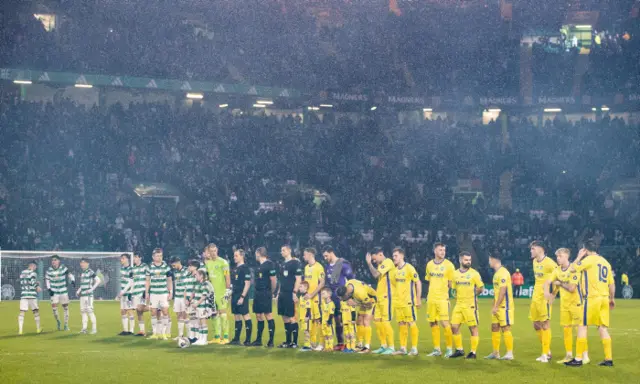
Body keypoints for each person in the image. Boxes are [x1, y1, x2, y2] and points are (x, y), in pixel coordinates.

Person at [566, 240, 615, 367]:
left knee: (582, 326)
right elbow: (611, 283)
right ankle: (608, 359)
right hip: (604, 298)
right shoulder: (606, 262)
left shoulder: (588, 260)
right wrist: (612, 298)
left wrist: (579, 256)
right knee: (602, 328)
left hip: (592, 298)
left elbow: (572, 269)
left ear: (585, 250)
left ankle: (578, 359)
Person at [544, 248, 590, 364]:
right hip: (564, 305)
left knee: (579, 329)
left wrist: (559, 283)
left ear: (567, 257)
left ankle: (585, 355)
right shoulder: (557, 270)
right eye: (557, 256)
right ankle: (569, 355)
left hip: (577, 304)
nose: (558, 258)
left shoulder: (575, 269)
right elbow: (548, 281)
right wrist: (549, 293)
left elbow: (571, 288)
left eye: (560, 256)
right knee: (566, 329)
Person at [450, 251, 484, 359]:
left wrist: (474, 295)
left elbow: (480, 288)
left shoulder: (474, 274)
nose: (468, 262)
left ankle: (473, 352)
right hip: (459, 305)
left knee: (472, 328)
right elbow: (453, 288)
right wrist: (454, 294)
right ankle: (459, 350)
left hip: (470, 305)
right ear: (460, 260)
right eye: (466, 260)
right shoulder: (455, 274)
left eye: (469, 260)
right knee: (454, 326)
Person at [425, 242, 455, 357]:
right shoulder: (429, 265)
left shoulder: (449, 265)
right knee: (432, 322)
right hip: (431, 298)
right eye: (440, 250)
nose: (443, 252)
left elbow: (451, 283)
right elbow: (429, 280)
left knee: (445, 323)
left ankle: (449, 349)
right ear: (435, 251)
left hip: (442, 299)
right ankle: (437, 349)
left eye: (444, 250)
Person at [529, 240, 557, 363]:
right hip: (535, 297)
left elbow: (559, 278)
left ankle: (545, 353)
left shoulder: (550, 263)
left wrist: (553, 294)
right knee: (536, 324)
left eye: (533, 249)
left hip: (544, 298)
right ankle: (548, 351)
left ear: (540, 249)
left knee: (545, 324)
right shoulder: (534, 261)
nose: (531, 251)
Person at [366, 246, 396, 355]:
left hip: (387, 297)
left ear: (380, 254)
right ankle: (383, 346)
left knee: (385, 321)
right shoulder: (380, 265)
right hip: (380, 297)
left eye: (374, 259)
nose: (374, 261)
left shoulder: (388, 262)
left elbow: (376, 274)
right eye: (372, 260)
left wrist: (369, 264)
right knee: (377, 321)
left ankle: (391, 347)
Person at [390, 247, 421, 356]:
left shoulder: (409, 268)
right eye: (393, 256)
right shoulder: (394, 271)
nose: (394, 258)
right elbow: (394, 284)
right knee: (401, 324)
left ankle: (414, 348)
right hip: (398, 302)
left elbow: (418, 282)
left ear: (402, 256)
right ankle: (403, 348)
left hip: (408, 302)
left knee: (411, 323)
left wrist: (418, 298)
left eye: (396, 256)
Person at [323, 246, 354, 351]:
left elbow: (352, 280)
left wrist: (349, 296)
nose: (325, 258)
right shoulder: (327, 266)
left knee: (345, 321)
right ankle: (340, 343)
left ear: (331, 252)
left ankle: (350, 343)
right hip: (333, 298)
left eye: (326, 255)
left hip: (343, 298)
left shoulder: (343, 264)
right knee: (336, 320)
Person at [485, 253, 515, 360]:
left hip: (504, 306)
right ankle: (495, 353)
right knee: (494, 327)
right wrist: (494, 305)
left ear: (494, 260)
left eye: (490, 259)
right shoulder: (497, 273)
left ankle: (510, 353)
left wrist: (496, 306)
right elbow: (497, 292)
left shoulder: (503, 272)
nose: (489, 262)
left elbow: (503, 290)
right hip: (497, 306)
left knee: (505, 328)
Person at [336, 279, 376, 353]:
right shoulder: (347, 285)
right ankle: (360, 344)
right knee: (359, 322)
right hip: (362, 301)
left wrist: (356, 304)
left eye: (342, 297)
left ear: (346, 294)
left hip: (371, 299)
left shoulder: (360, 293)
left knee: (366, 321)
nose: (341, 299)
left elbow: (369, 305)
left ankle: (367, 346)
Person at [204, 244, 232, 344]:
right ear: (208, 251)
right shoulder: (207, 263)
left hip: (221, 292)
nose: (213, 252)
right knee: (214, 314)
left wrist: (228, 290)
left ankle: (225, 337)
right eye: (211, 251)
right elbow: (206, 277)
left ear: (217, 250)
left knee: (223, 313)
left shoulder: (223, 262)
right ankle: (217, 336)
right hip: (212, 293)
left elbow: (227, 277)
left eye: (215, 250)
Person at [251, 247, 278, 347]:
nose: (255, 256)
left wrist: (271, 291)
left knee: (268, 315)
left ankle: (271, 341)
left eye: (255, 253)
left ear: (258, 253)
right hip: (257, 293)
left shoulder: (269, 264)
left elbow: (274, 280)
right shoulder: (259, 266)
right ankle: (258, 340)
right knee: (258, 316)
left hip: (265, 292)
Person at [277, 245, 303, 348]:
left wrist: (294, 292)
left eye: (283, 250)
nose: (281, 252)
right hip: (282, 293)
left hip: (290, 293)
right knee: (284, 317)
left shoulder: (295, 263)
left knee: (292, 317)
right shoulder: (283, 264)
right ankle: (288, 341)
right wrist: (278, 293)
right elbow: (281, 280)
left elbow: (298, 279)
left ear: (289, 251)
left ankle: (295, 342)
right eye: (281, 250)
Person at [145, 248, 173, 340]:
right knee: (153, 312)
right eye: (157, 256)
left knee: (165, 312)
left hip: (163, 293)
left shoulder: (166, 267)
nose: (159, 257)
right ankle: (155, 333)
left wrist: (170, 292)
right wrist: (147, 292)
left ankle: (164, 333)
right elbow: (147, 280)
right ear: (153, 257)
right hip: (153, 293)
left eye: (160, 255)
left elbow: (169, 280)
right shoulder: (149, 267)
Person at [303, 247, 325, 351]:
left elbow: (322, 283)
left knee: (318, 320)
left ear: (311, 254)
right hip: (308, 298)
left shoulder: (319, 267)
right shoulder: (306, 267)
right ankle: (312, 343)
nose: (303, 256)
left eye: (305, 254)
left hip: (316, 298)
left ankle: (321, 343)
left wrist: (312, 294)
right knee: (309, 320)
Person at [45, 255, 75, 331]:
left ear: (58, 261)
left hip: (63, 291)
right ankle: (58, 322)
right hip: (54, 292)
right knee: (54, 309)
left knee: (65, 308)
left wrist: (72, 280)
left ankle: (66, 324)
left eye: (55, 260)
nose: (53, 261)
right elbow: (47, 280)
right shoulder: (49, 270)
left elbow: (70, 274)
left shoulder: (63, 268)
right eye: (52, 260)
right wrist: (49, 289)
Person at [229, 249, 252, 346]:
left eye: (236, 256)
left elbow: (247, 284)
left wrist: (242, 297)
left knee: (245, 315)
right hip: (234, 295)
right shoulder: (234, 269)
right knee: (236, 316)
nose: (234, 257)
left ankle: (247, 340)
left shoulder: (245, 268)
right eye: (234, 256)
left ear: (242, 256)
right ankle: (236, 339)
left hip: (241, 295)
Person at [191, 269, 217, 346]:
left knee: (203, 322)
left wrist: (197, 304)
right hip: (198, 306)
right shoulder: (198, 284)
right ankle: (200, 338)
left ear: (201, 275)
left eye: (196, 275)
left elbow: (204, 296)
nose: (195, 276)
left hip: (203, 306)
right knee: (199, 322)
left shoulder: (205, 284)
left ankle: (204, 339)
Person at [76, 258, 101, 334]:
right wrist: (78, 290)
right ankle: (84, 329)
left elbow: (98, 280)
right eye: (81, 262)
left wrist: (91, 289)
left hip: (88, 296)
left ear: (88, 264)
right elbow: (83, 284)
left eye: (84, 263)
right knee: (83, 311)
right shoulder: (82, 273)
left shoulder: (90, 272)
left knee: (90, 311)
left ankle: (94, 329)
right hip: (82, 295)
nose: (82, 264)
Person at [18, 261, 42, 335]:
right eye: (35, 267)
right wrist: (37, 286)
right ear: (33, 266)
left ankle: (20, 330)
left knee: (22, 312)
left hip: (24, 294)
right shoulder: (33, 273)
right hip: (32, 294)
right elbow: (32, 281)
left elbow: (22, 282)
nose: (35, 268)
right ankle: (38, 329)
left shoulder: (22, 273)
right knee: (35, 311)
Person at [171, 257, 191, 340]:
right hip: (177, 297)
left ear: (178, 262)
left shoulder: (186, 270)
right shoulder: (175, 272)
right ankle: (180, 335)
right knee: (178, 315)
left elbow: (188, 284)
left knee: (185, 315)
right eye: (172, 265)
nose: (173, 267)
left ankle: (190, 335)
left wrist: (187, 297)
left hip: (184, 297)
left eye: (174, 265)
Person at [130, 253, 149, 336]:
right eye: (134, 257)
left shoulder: (145, 266)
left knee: (140, 308)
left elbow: (149, 279)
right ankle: (142, 331)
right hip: (135, 292)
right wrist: (131, 292)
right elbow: (132, 282)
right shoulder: (133, 268)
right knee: (138, 312)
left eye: (136, 257)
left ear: (140, 258)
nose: (134, 259)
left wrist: (146, 291)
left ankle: (155, 308)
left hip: (142, 291)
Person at [115, 254, 134, 336]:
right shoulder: (121, 269)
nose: (121, 260)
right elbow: (120, 282)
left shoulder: (131, 269)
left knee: (130, 311)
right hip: (122, 293)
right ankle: (125, 330)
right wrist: (119, 293)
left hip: (129, 293)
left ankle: (131, 330)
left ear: (127, 259)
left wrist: (123, 291)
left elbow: (131, 282)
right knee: (123, 311)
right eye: (121, 259)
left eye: (123, 258)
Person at [184, 260, 200, 341]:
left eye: (190, 266)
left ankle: (197, 337)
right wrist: (185, 299)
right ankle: (192, 336)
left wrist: (190, 299)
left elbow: (195, 288)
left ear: (195, 267)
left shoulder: (198, 275)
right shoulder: (188, 275)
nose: (189, 267)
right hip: (188, 300)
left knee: (195, 319)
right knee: (191, 319)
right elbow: (186, 288)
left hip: (194, 300)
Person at [298, 281, 313, 351]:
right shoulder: (301, 296)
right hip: (302, 317)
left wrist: (307, 317)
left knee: (306, 331)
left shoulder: (307, 297)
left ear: (306, 288)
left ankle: (308, 346)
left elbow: (308, 308)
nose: (299, 288)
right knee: (305, 331)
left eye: (301, 287)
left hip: (306, 318)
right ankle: (307, 345)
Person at [320, 287, 336, 351]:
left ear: (329, 294)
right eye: (321, 294)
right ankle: (326, 347)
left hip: (329, 323)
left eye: (323, 293)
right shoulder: (323, 303)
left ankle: (330, 347)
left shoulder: (331, 304)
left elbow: (331, 314)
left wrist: (329, 322)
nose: (322, 295)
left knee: (330, 335)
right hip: (323, 322)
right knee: (325, 335)